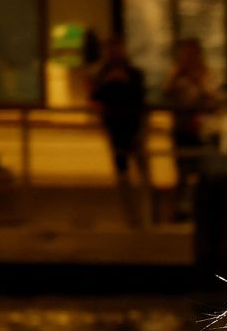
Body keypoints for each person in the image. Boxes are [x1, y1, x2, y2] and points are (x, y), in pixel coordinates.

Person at [90, 35, 151, 228]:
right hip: (115, 129)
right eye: (110, 49)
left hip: (134, 127)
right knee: (122, 172)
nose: (114, 53)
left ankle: (147, 214)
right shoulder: (102, 74)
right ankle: (129, 216)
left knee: (143, 172)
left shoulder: (134, 73)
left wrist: (125, 82)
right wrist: (109, 82)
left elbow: (141, 96)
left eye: (117, 48)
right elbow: (95, 96)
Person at [163, 38, 216, 220]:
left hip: (200, 129)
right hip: (182, 128)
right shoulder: (177, 75)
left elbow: (212, 99)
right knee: (182, 171)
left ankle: (201, 207)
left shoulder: (205, 75)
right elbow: (168, 95)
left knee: (202, 170)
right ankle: (182, 209)